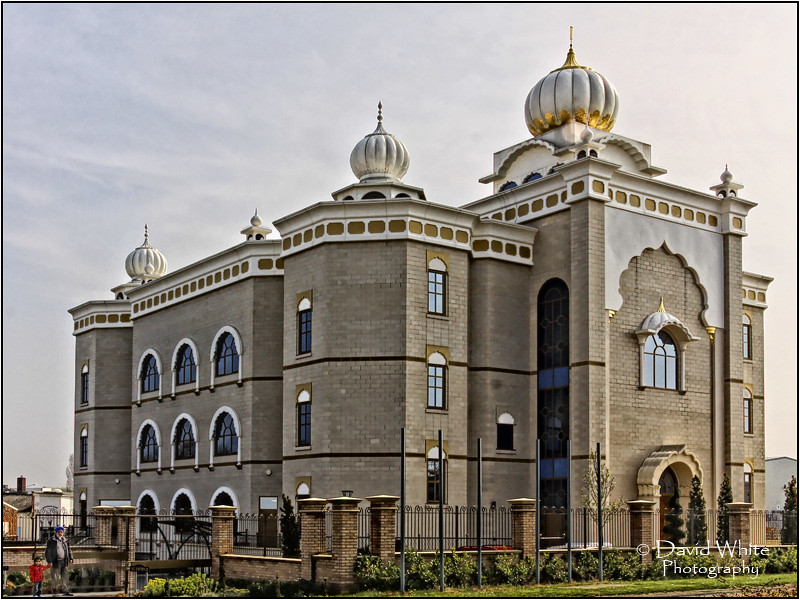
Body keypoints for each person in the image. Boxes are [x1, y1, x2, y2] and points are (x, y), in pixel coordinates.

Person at [44, 526, 72, 596]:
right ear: (56, 532)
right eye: (59, 531)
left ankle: (66, 591)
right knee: (55, 577)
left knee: (65, 576)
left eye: (61, 531)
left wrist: (70, 558)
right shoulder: (51, 541)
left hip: (64, 561)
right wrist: (49, 561)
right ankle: (55, 591)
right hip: (55, 561)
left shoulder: (64, 540)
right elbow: (48, 552)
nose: (60, 533)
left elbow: (69, 550)